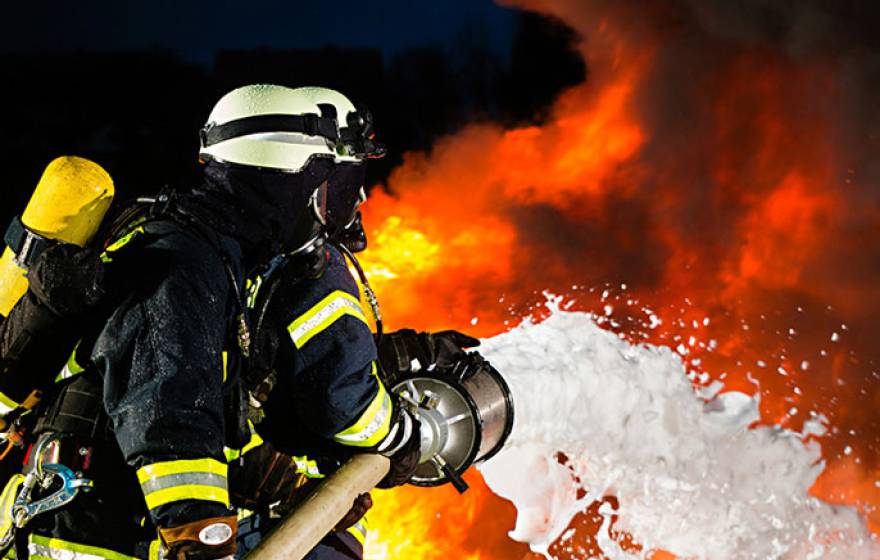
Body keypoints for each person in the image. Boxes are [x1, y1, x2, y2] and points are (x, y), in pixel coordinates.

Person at [0, 83, 369, 560]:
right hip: (85, 538)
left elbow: (215, 397)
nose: (342, 200)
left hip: (116, 527)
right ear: (282, 175)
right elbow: (166, 409)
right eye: (327, 183)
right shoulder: (180, 263)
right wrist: (200, 533)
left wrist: (278, 480)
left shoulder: (229, 261)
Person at [227, 87, 480, 560]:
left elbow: (289, 358)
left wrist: (409, 351)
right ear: (302, 179)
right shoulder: (307, 268)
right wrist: (409, 436)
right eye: (344, 179)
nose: (359, 195)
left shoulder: (221, 255)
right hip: (275, 523)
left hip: (246, 516)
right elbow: (341, 400)